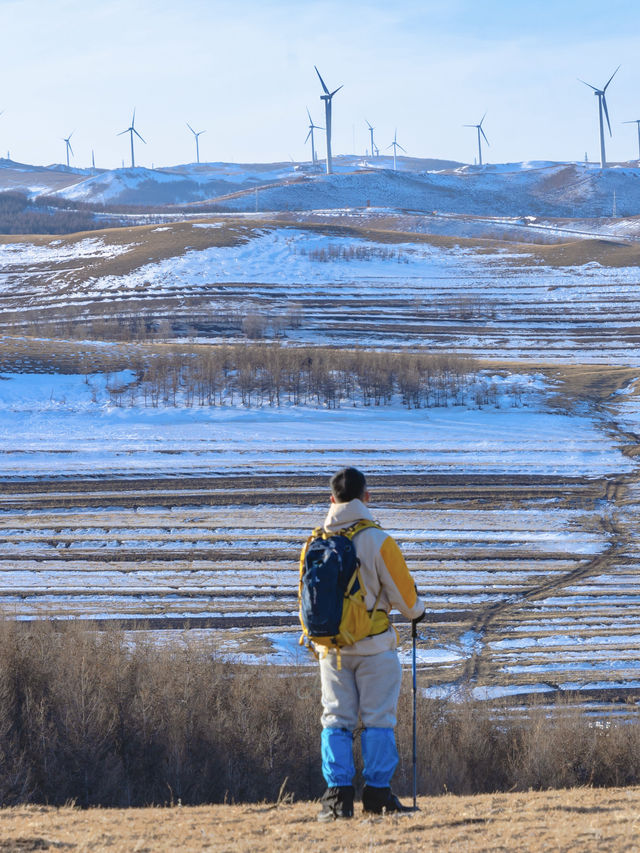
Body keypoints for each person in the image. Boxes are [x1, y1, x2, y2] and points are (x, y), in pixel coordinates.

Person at [301, 466, 426, 821]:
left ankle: (337, 799)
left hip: (331, 650)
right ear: (366, 497)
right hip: (374, 649)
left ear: (332, 500)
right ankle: (377, 795)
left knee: (336, 720)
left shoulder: (314, 542)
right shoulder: (377, 540)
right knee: (377, 721)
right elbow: (408, 602)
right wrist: (418, 611)